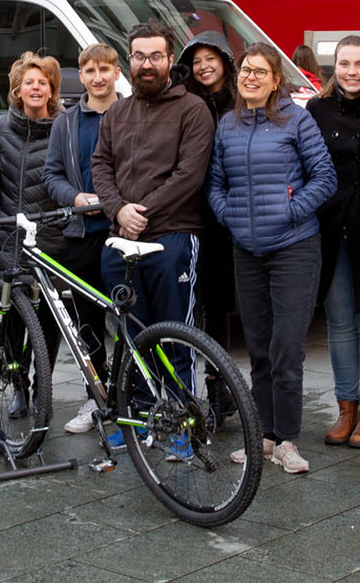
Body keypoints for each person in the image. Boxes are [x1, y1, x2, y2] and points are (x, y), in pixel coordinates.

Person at [210, 43, 336, 474]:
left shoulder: (297, 120)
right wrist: (230, 216)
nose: (251, 78)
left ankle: (288, 440)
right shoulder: (228, 124)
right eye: (246, 70)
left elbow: (324, 179)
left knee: (286, 350)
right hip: (246, 249)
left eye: (260, 72)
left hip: (294, 249)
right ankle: (263, 436)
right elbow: (215, 184)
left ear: (276, 78)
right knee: (260, 349)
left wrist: (288, 212)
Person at [91, 23, 216, 451]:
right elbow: (101, 167)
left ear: (169, 59)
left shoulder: (193, 110)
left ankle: (183, 425)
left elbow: (189, 175)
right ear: (130, 59)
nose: (147, 64)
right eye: (140, 56)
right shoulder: (116, 113)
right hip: (121, 241)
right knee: (131, 336)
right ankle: (140, 418)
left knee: (175, 336)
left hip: (172, 239)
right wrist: (118, 210)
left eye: (155, 56)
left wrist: (141, 212)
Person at [307, 35, 360, 449]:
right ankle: (345, 409)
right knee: (339, 323)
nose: (351, 72)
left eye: (359, 64)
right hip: (330, 227)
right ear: (333, 67)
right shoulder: (316, 109)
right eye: (344, 64)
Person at [43, 43, 120, 434]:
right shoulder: (67, 122)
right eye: (90, 70)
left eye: (105, 69)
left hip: (122, 234)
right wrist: (74, 198)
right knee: (87, 324)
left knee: (127, 320)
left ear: (116, 72)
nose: (97, 77)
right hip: (81, 233)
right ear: (81, 74)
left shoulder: (131, 115)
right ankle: (97, 396)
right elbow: (51, 174)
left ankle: (132, 395)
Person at [0, 51, 62, 419]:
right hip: (7, 238)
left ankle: (41, 390)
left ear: (52, 90)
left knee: (48, 324)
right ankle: (17, 385)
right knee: (13, 321)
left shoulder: (63, 127)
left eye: (43, 82)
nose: (36, 88)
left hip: (49, 239)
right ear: (17, 90)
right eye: (29, 82)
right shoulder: (1, 128)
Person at [176, 31, 240, 419]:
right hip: (196, 213)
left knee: (227, 305)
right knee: (204, 306)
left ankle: (228, 388)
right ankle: (216, 390)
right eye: (196, 61)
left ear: (225, 60)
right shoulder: (186, 102)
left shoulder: (242, 100)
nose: (203, 67)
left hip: (234, 214)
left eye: (210, 59)